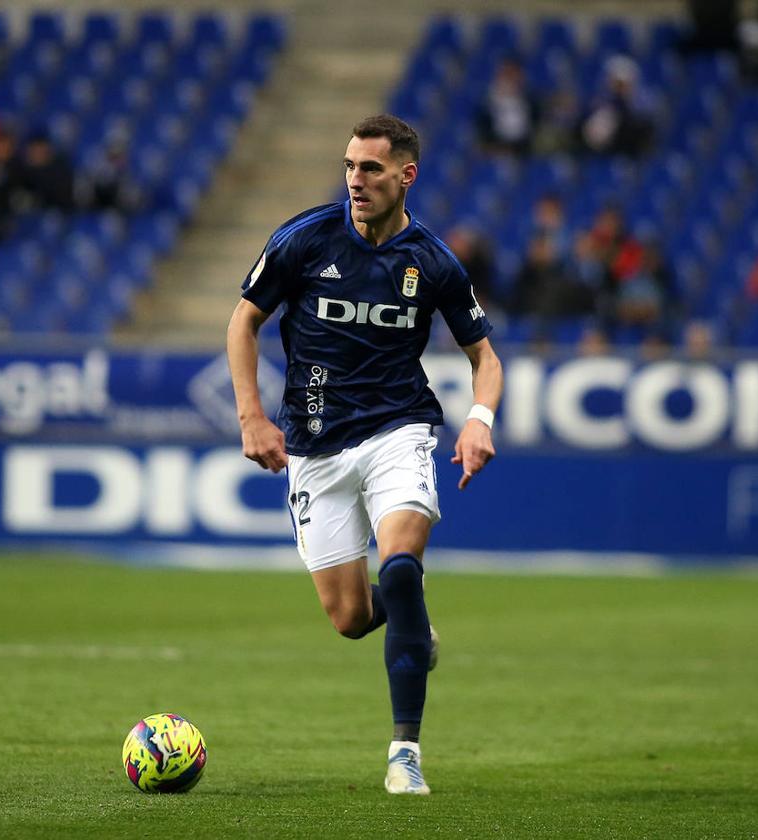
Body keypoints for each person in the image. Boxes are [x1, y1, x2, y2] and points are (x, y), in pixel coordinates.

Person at [226, 115, 502, 796]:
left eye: (371, 168)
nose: (355, 179)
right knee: (351, 618)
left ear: (405, 175)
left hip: (397, 431)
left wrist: (479, 421)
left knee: (401, 567)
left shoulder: (431, 260)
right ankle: (412, 625)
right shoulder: (304, 238)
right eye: (350, 166)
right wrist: (251, 416)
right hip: (314, 447)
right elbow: (244, 320)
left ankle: (404, 752)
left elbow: (484, 357)